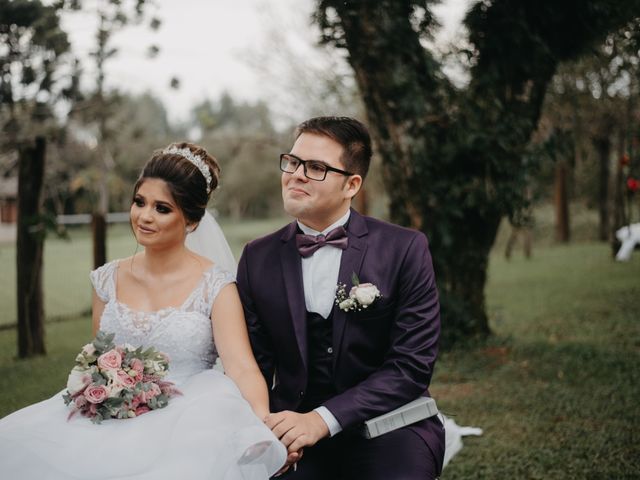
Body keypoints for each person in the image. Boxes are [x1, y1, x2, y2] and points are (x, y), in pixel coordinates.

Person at [0, 142, 286, 480]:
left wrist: (262, 426)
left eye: (162, 208)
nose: (145, 216)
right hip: (111, 418)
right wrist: (100, 389)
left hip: (190, 422)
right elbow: (100, 357)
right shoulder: (106, 279)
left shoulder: (216, 286)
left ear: (191, 221)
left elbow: (241, 367)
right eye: (140, 202)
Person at [236, 116, 446, 479]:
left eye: (316, 167)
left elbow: (411, 367)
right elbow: (252, 364)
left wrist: (323, 419)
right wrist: (265, 434)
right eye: (294, 162)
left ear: (352, 184)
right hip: (293, 432)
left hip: (390, 426)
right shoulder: (257, 258)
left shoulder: (404, 249)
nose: (297, 174)